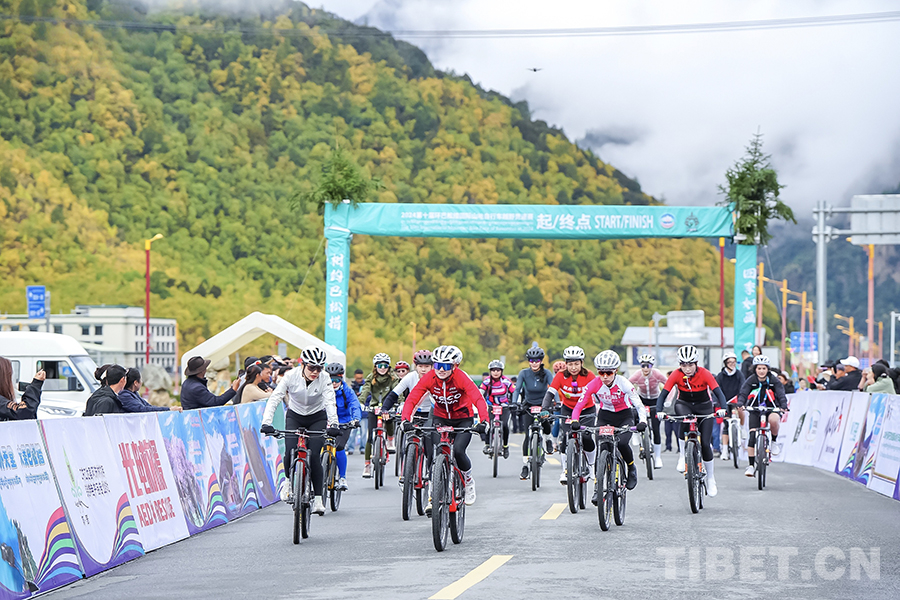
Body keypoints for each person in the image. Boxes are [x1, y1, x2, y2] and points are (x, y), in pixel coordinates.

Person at [401, 345, 489, 508]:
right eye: (437, 365)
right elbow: (412, 399)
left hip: (463, 419)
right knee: (436, 454)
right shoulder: (429, 378)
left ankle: (468, 480)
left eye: (446, 366)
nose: (441, 369)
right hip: (440, 417)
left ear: (455, 366)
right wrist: (405, 419)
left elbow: (478, 399)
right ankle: (433, 493)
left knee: (459, 451)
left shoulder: (461, 378)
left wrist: (484, 421)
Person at [260, 347, 339, 516]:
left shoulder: (324, 378)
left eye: (319, 368)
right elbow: (275, 398)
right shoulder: (290, 376)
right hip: (295, 416)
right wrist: (266, 422)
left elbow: (330, 402)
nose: (315, 372)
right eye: (312, 367)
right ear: (302, 364)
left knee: (315, 455)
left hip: (317, 417)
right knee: (290, 450)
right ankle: (288, 483)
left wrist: (334, 424)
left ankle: (318, 499)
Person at [572, 351, 647, 502]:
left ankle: (631, 468)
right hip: (605, 416)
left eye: (609, 373)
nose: (605, 376)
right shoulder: (594, 384)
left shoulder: (624, 383)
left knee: (622, 443)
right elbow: (579, 405)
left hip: (625, 416)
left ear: (615, 371)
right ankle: (597, 487)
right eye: (601, 373)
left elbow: (639, 405)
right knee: (602, 449)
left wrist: (643, 422)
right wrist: (575, 420)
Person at [656, 345, 727, 497]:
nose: (687, 369)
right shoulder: (676, 374)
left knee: (706, 443)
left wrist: (723, 408)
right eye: (683, 365)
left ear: (696, 363)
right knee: (685, 420)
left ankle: (711, 479)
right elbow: (663, 395)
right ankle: (683, 455)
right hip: (684, 404)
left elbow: (719, 393)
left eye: (690, 365)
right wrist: (659, 411)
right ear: (679, 365)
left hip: (704, 406)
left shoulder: (705, 373)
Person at [541, 346, 595, 485]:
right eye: (570, 364)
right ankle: (565, 470)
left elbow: (599, 391)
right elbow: (550, 393)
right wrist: (545, 408)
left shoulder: (589, 375)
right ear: (566, 364)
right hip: (568, 410)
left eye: (576, 364)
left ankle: (591, 467)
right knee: (566, 437)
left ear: (582, 363)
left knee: (587, 437)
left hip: (587, 410)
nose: (573, 367)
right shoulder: (560, 376)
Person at [382, 350, 435, 478]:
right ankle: (407, 471)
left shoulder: (436, 377)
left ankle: (430, 474)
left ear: (432, 366)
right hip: (414, 412)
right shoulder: (410, 377)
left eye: (427, 366)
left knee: (429, 444)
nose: (423, 369)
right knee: (408, 442)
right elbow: (394, 394)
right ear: (415, 366)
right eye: (420, 366)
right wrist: (385, 409)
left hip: (431, 413)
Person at [737, 354, 789, 477]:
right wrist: (741, 403)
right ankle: (751, 466)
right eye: (759, 368)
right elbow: (743, 393)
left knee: (774, 420)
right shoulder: (751, 380)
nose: (761, 371)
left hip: (772, 407)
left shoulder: (773, 380)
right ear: (755, 369)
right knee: (752, 435)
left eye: (764, 368)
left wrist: (783, 405)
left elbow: (781, 393)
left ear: (768, 369)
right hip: (755, 409)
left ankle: (774, 441)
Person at [513, 343, 554, 480]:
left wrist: (557, 402)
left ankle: (548, 439)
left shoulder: (547, 373)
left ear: (541, 361)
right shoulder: (523, 373)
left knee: (546, 421)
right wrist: (514, 403)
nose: (534, 363)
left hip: (543, 403)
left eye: (537, 360)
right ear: (528, 361)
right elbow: (517, 389)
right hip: (529, 404)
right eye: (531, 360)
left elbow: (553, 388)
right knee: (527, 435)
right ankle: (525, 465)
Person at [359, 353, 401, 477]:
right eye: (380, 365)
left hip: (388, 407)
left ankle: (390, 439)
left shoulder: (393, 378)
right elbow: (365, 390)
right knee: (370, 437)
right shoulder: (370, 377)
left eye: (385, 366)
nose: (382, 368)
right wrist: (361, 402)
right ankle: (367, 465)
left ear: (389, 367)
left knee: (389, 419)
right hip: (374, 407)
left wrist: (400, 403)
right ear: (375, 366)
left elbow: (397, 391)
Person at [325, 363, 361, 491]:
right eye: (331, 380)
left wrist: (356, 419)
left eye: (337, 380)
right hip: (326, 421)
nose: (334, 383)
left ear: (341, 379)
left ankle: (342, 477)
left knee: (339, 447)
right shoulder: (322, 389)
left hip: (343, 422)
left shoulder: (347, 391)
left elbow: (355, 405)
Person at [628, 353, 667, 468]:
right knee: (634, 412)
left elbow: (668, 385)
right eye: (643, 366)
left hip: (655, 400)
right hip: (642, 398)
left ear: (652, 366)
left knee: (656, 428)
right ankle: (636, 434)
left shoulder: (657, 374)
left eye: (648, 366)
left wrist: (666, 400)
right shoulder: (637, 375)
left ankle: (658, 457)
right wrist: (629, 400)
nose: (645, 368)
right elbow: (627, 386)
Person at [479, 360, 514, 458]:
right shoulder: (486, 381)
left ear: (501, 371)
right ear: (490, 371)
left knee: (505, 426)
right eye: (493, 370)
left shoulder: (506, 381)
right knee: (488, 425)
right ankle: (487, 444)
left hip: (504, 406)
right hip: (491, 406)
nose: (495, 372)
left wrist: (515, 403)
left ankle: (505, 446)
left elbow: (514, 391)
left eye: (498, 370)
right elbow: (480, 392)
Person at [715, 352, 745, 462]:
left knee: (741, 411)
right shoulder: (720, 376)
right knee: (726, 425)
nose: (732, 364)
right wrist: (718, 402)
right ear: (725, 363)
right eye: (729, 362)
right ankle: (724, 450)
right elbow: (716, 390)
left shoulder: (739, 374)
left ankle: (742, 428)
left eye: (734, 362)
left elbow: (743, 387)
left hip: (737, 400)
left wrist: (742, 399)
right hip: (724, 401)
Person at [348, 368, 367, 454]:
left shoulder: (366, 386)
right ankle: (350, 448)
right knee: (352, 431)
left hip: (364, 413)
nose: (359, 380)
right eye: (357, 378)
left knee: (364, 432)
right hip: (354, 413)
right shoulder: (351, 387)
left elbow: (369, 397)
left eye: (360, 378)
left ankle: (363, 448)